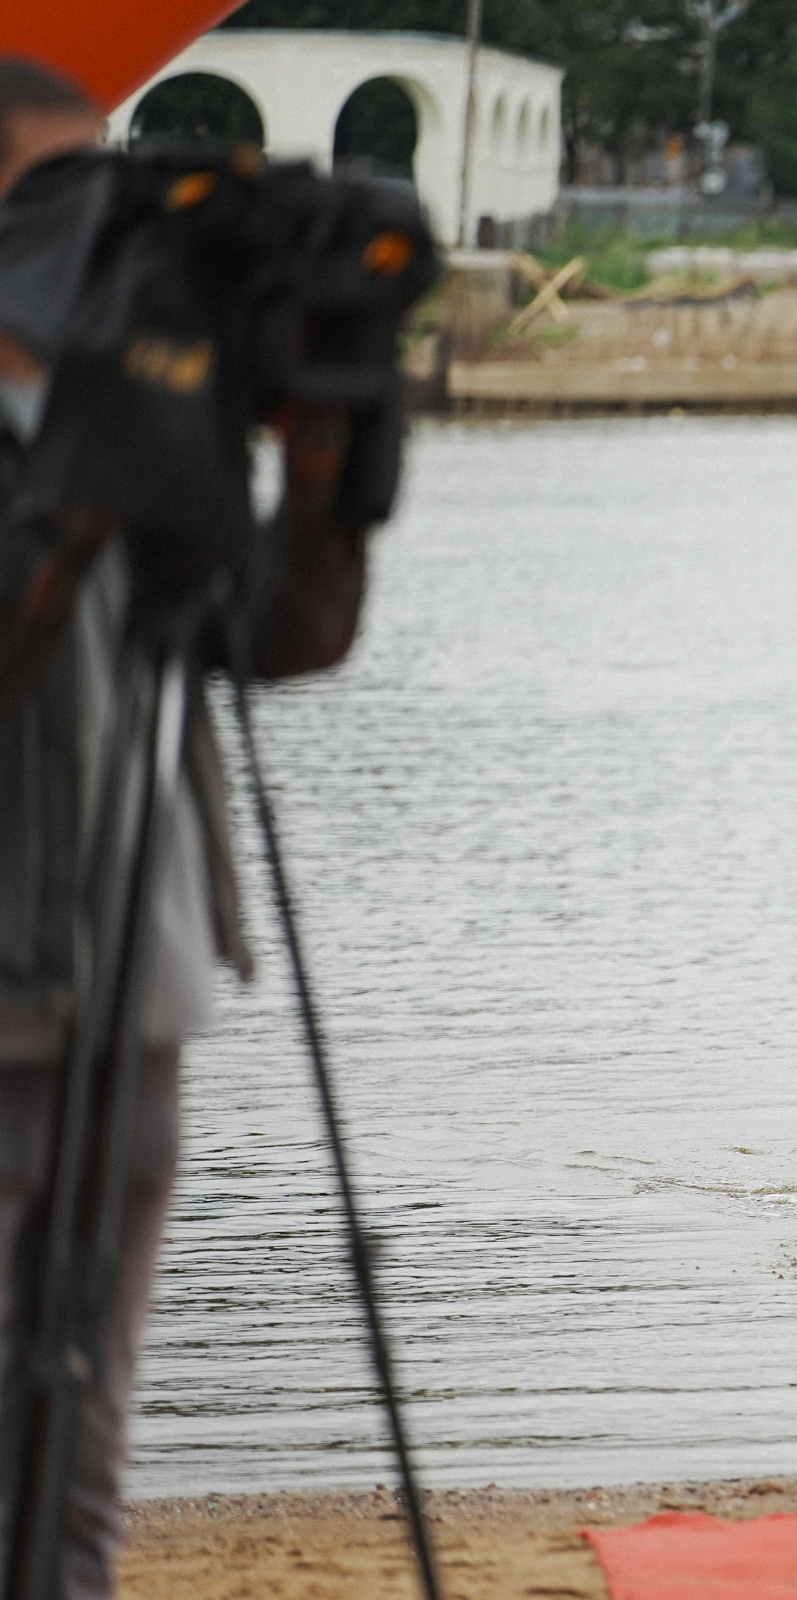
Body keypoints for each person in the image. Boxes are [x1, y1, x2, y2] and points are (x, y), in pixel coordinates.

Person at [0, 56, 375, 1600]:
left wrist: (331, 453)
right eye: (54, 197)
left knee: (75, 1490)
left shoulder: (143, 407)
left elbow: (277, 635)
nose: (107, 232)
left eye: (115, 188)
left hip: (132, 996)